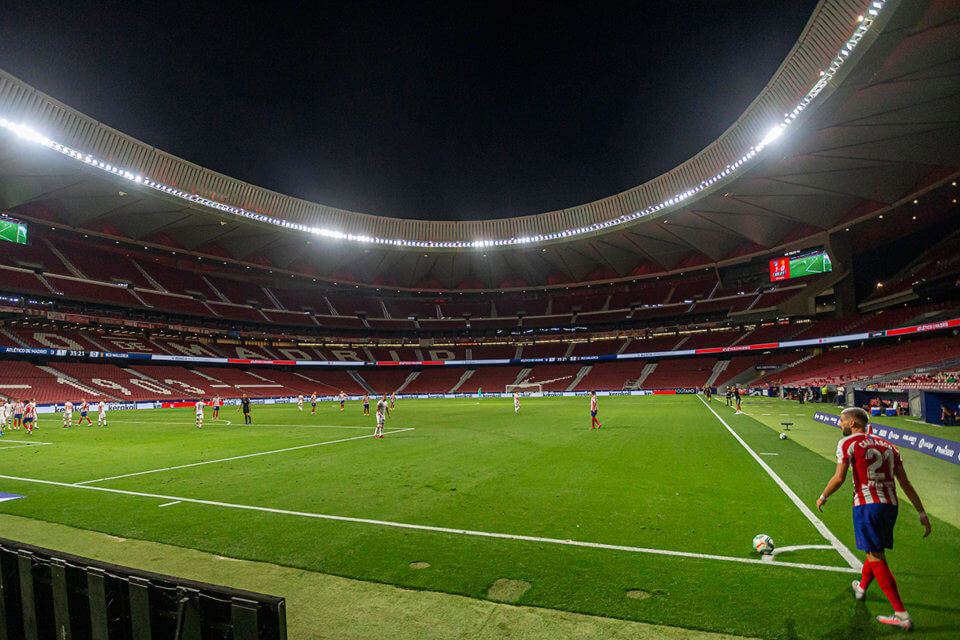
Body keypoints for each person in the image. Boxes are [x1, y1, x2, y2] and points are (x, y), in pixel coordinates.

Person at [816, 407, 930, 631]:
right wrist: (921, 513)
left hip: (867, 504)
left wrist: (823, 496)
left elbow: (839, 478)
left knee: (876, 556)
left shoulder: (847, 444)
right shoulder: (889, 445)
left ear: (852, 424)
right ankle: (861, 588)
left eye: (841, 421)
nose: (839, 424)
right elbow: (905, 483)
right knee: (874, 549)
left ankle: (901, 615)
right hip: (891, 505)